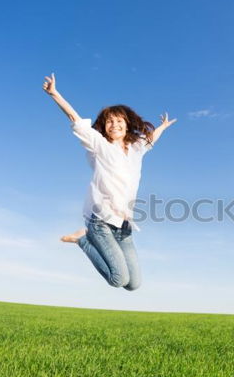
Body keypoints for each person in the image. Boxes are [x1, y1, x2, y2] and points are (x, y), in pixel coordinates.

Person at [42, 73, 176, 290]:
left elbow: (151, 139)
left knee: (133, 285)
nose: (114, 124)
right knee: (118, 279)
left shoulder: (136, 148)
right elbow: (75, 119)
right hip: (101, 221)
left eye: (119, 120)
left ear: (126, 124)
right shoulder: (99, 145)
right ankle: (82, 240)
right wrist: (55, 94)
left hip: (124, 226)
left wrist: (163, 127)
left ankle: (88, 239)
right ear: (104, 127)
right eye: (109, 121)